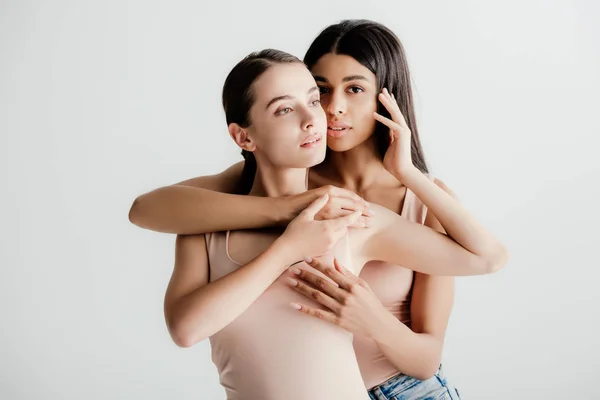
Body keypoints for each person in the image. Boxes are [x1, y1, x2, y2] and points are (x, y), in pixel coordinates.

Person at [131, 22, 508, 400]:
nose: (330, 109)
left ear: (385, 97)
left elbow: (436, 343)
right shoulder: (282, 174)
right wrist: (285, 210)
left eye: (355, 89)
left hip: (406, 389)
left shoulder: (382, 211)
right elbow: (146, 210)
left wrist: (407, 173)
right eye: (321, 91)